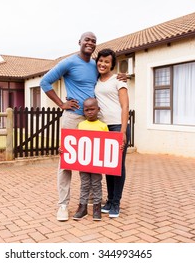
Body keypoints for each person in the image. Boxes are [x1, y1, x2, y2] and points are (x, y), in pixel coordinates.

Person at [40, 32, 127, 221]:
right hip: (73, 116)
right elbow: (44, 82)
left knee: (93, 159)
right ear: (79, 42)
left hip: (94, 119)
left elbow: (107, 75)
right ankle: (63, 205)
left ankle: (90, 199)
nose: (90, 42)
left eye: (93, 41)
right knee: (67, 160)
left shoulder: (95, 66)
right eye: (87, 39)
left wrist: (122, 75)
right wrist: (61, 104)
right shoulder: (69, 62)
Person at [95, 48, 130, 218]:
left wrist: (123, 131)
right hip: (103, 127)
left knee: (118, 167)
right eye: (100, 61)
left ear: (112, 65)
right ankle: (109, 201)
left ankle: (116, 202)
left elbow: (125, 106)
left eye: (107, 62)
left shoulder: (118, 80)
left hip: (117, 126)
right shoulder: (96, 80)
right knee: (108, 166)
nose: (103, 64)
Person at [73, 97, 108, 221]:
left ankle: (97, 208)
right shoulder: (81, 125)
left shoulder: (103, 126)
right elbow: (75, 143)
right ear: (83, 111)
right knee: (84, 184)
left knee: (96, 184)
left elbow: (107, 145)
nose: (89, 112)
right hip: (83, 162)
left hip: (97, 163)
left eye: (92, 109)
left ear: (98, 109)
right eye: (86, 110)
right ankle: (82, 208)